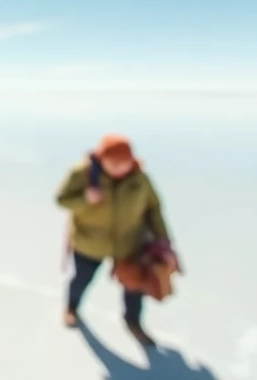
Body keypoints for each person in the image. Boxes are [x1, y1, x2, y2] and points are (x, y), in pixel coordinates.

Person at [54, 134, 176, 347]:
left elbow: (153, 209)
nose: (120, 168)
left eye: (125, 163)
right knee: (81, 279)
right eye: (114, 163)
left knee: (135, 286)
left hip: (129, 244)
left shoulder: (140, 179)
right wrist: (85, 199)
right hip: (89, 243)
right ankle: (71, 308)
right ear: (101, 159)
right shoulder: (81, 174)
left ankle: (133, 322)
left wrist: (163, 240)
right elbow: (61, 200)